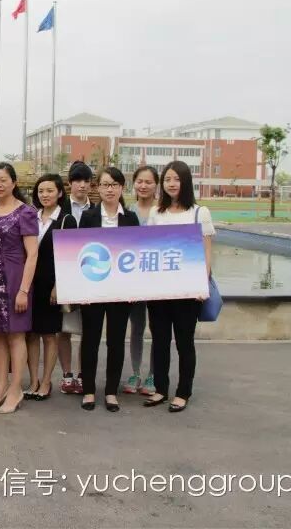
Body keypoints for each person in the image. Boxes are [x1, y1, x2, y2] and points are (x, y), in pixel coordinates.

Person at [144, 160, 215, 413]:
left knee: (184, 343)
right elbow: (149, 249)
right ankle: (161, 389)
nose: (171, 184)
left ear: (185, 182)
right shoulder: (156, 212)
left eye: (176, 179)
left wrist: (202, 285)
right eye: (167, 179)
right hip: (159, 291)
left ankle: (183, 392)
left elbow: (207, 253)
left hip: (188, 291)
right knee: (160, 342)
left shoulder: (199, 212)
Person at [77, 167, 140, 412]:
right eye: (105, 184)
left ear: (122, 188)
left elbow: (135, 255)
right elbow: (80, 252)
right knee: (90, 340)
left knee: (116, 341)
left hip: (120, 291)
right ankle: (89, 390)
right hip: (93, 288)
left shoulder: (131, 218)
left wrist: (133, 289)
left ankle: (111, 391)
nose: (110, 189)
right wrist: (82, 289)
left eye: (114, 184)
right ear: (98, 188)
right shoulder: (88, 217)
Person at [0, 163, 39, 414]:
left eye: (3, 180)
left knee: (15, 335)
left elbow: (32, 254)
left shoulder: (26, 212)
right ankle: (1, 385)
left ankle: (16, 389)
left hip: (14, 278)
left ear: (14, 183)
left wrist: (24, 290)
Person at [27, 173, 77, 401]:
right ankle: (33, 381)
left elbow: (68, 257)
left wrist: (59, 286)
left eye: (49, 190)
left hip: (51, 286)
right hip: (30, 284)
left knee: (49, 335)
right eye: (41, 191)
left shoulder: (66, 220)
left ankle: (46, 381)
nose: (44, 195)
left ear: (59, 193)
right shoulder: (31, 217)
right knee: (31, 334)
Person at [58, 161, 94, 395]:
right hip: (64, 276)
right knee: (63, 329)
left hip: (90, 276)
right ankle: (67, 374)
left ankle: (82, 374)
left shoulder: (97, 210)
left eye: (86, 181)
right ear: (69, 183)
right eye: (77, 180)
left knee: (87, 329)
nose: (82, 185)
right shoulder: (61, 209)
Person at [124, 165, 159, 396]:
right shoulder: (127, 212)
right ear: (134, 183)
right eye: (140, 181)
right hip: (134, 281)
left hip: (157, 281)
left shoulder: (164, 212)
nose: (143, 186)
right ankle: (135, 372)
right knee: (137, 327)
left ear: (156, 185)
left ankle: (153, 375)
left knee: (158, 329)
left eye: (148, 182)